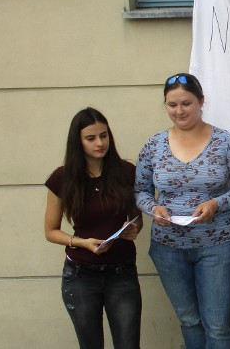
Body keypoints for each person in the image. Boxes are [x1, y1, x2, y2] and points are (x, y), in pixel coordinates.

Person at [135, 73, 230, 349]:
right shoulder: (154, 145)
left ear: (201, 102)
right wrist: (153, 208)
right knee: (189, 321)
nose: (179, 111)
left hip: (216, 246)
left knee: (218, 327)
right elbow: (141, 191)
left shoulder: (224, 142)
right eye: (172, 105)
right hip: (168, 248)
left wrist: (216, 203)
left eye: (186, 103)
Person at [44, 107, 143, 349]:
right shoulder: (62, 178)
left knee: (128, 344)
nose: (100, 143)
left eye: (104, 135)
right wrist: (82, 242)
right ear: (77, 141)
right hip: (80, 275)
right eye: (91, 138)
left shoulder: (126, 172)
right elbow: (51, 231)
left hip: (122, 273)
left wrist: (135, 228)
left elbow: (136, 217)